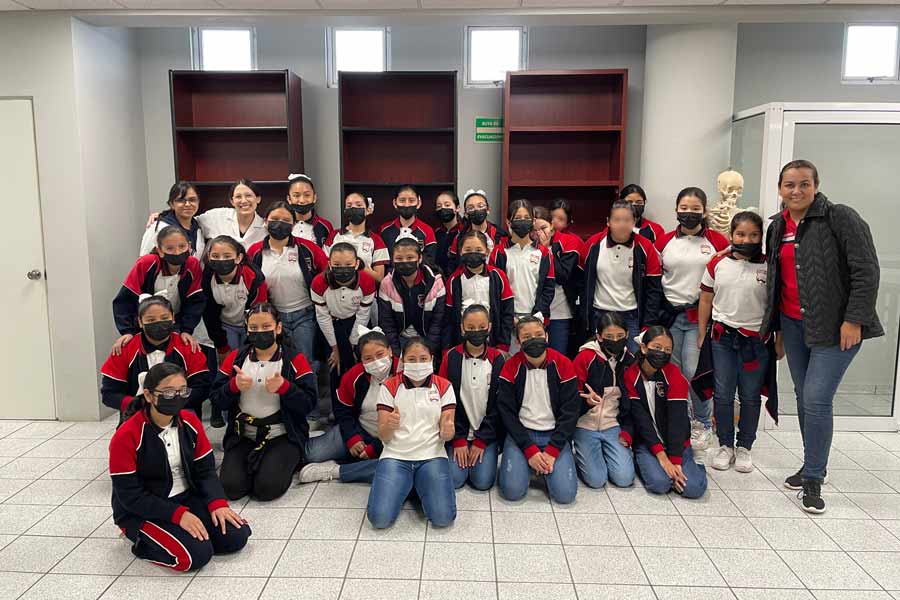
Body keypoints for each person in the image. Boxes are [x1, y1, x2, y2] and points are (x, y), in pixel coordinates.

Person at [759, 160, 882, 513]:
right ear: (780, 188)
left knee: (815, 397)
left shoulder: (840, 218)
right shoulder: (776, 226)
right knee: (802, 395)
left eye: (803, 184)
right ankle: (814, 463)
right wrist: (777, 330)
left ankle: (813, 478)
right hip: (793, 325)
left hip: (835, 327)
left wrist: (854, 319)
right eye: (789, 185)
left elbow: (866, 271)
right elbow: (776, 282)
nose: (796, 191)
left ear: (816, 185)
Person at [109, 363, 250, 572]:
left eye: (182, 391)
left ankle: (187, 533)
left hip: (185, 497)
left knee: (237, 536)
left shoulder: (190, 421)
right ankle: (140, 541)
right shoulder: (126, 435)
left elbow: (206, 471)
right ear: (148, 395)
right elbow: (129, 496)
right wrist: (178, 515)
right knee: (195, 556)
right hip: (140, 510)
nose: (177, 397)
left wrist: (217, 503)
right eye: (168, 392)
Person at [212, 304, 318, 501]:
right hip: (243, 434)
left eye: (266, 326)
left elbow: (309, 403)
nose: (260, 332)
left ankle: (282, 461)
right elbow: (216, 399)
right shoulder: (236, 358)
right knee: (231, 489)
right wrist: (233, 386)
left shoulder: (295, 359)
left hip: (282, 435)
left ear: (278, 328)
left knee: (267, 490)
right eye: (254, 328)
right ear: (246, 328)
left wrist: (286, 388)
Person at [655, 188, 730, 452]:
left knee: (693, 371)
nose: (689, 213)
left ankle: (703, 424)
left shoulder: (717, 241)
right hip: (671, 317)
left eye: (695, 208)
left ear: (704, 211)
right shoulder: (664, 241)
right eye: (684, 208)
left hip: (699, 318)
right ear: (676, 210)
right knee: (672, 372)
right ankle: (681, 420)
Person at [698, 212, 772, 474]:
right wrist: (700, 333)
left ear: (761, 237)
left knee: (751, 396)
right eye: (740, 234)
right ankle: (725, 444)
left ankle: (745, 447)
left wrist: (781, 341)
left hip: (755, 342)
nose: (746, 239)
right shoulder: (718, 263)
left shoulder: (768, 266)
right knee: (723, 393)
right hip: (722, 338)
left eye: (753, 235)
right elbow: (706, 299)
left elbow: (777, 306)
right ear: (732, 235)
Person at [367, 337, 457, 529]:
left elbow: (447, 432)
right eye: (412, 359)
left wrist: (448, 431)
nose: (418, 364)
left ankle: (411, 484)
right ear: (402, 361)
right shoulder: (389, 386)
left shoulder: (444, 386)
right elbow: (383, 435)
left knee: (443, 518)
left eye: (423, 358)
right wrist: (390, 425)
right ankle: (410, 483)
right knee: (379, 519)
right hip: (395, 455)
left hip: (432, 456)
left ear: (432, 359)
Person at [298, 326, 400, 485]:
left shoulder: (406, 375)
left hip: (395, 438)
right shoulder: (353, 375)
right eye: (368, 358)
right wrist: (352, 437)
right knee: (311, 455)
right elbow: (342, 410)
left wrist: (374, 448)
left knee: (396, 470)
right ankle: (340, 449)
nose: (376, 362)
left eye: (380, 355)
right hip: (360, 429)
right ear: (361, 360)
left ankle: (337, 470)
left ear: (391, 351)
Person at [497, 316, 579, 504]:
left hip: (554, 434)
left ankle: (542, 464)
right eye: (526, 337)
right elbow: (507, 414)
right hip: (521, 433)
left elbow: (570, 413)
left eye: (539, 334)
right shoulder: (510, 367)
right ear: (518, 342)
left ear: (547, 336)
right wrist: (529, 449)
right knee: (512, 492)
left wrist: (552, 451)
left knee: (565, 496)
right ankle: (530, 463)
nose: (533, 339)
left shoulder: (564, 364)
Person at [624, 326, 707, 498]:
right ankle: (642, 461)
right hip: (648, 443)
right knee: (660, 484)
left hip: (676, 443)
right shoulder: (631, 375)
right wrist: (662, 458)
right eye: (657, 347)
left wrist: (675, 461)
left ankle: (694, 464)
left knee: (692, 489)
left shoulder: (674, 375)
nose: (662, 353)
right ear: (644, 347)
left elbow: (678, 421)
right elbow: (641, 420)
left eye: (667, 350)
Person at [246, 202, 328, 373]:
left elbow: (327, 273)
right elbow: (249, 283)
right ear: (265, 222)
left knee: (305, 362)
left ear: (293, 224)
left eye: (285, 220)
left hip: (304, 315)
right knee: (277, 363)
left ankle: (308, 398)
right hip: (273, 318)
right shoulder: (255, 251)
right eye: (274, 219)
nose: (279, 223)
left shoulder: (307, 248)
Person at [102, 296, 211, 421]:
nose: (158, 323)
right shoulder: (125, 349)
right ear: (140, 322)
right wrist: (137, 405)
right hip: (137, 413)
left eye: (164, 318)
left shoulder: (188, 347)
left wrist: (171, 403)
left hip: (181, 411)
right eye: (151, 319)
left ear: (173, 318)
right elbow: (109, 393)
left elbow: (202, 388)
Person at [581, 200, 662, 352]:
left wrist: (648, 323)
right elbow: (582, 280)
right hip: (600, 313)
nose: (622, 225)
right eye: (617, 220)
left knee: (632, 361)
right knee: (599, 360)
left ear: (634, 222)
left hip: (630, 315)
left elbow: (654, 289)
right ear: (608, 222)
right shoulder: (594, 244)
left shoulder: (645, 247)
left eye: (627, 220)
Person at [439, 304, 505, 490]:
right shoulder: (450, 357)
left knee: (482, 482)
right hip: (457, 433)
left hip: (486, 434)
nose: (477, 332)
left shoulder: (498, 359)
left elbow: (499, 406)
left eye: (481, 327)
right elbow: (445, 402)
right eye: (471, 328)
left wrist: (481, 440)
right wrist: (458, 440)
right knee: (455, 480)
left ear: (489, 327)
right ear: (462, 328)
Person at [112, 226, 205, 355]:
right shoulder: (147, 263)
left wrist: (186, 330)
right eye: (170, 248)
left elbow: (195, 301)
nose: (177, 252)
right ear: (159, 250)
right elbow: (125, 298)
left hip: (175, 323)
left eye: (182, 246)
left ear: (189, 247)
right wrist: (127, 331)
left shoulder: (193, 265)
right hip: (145, 323)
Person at [572, 312, 636, 488]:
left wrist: (627, 432)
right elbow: (569, 397)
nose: (615, 340)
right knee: (596, 480)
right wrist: (585, 402)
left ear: (628, 334)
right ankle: (583, 452)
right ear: (599, 336)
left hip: (613, 426)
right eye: (609, 337)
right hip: (585, 424)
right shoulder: (585, 357)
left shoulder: (630, 361)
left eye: (620, 336)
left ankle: (611, 453)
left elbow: (633, 404)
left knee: (624, 479)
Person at [310, 242, 376, 409]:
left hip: (357, 324)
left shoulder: (367, 281)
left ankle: (359, 406)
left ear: (356, 263)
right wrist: (335, 348)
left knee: (357, 364)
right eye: (337, 265)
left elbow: (363, 315)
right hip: (331, 325)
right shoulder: (319, 282)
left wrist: (353, 345)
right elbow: (322, 317)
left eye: (348, 264)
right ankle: (337, 408)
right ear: (330, 264)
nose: (343, 269)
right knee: (335, 366)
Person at [490, 199, 556, 352]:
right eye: (517, 218)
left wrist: (537, 314)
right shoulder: (499, 252)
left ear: (533, 221)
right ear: (508, 221)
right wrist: (509, 317)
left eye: (526, 218)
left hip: (535, 318)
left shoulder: (544, 253)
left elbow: (548, 287)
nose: (522, 222)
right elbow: (495, 289)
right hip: (507, 321)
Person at [443, 230, 514, 353]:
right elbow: (448, 319)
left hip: (493, 340)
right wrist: (447, 348)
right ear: (460, 252)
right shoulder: (454, 280)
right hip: (463, 341)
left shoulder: (499, 276)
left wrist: (503, 344)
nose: (473, 254)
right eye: (468, 250)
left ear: (487, 251)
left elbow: (507, 313)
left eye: (478, 250)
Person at [147, 179, 268, 250]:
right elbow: (188, 218)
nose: (243, 201)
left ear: (258, 199)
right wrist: (164, 216)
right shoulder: (216, 216)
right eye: (238, 197)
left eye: (248, 196)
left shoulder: (265, 227)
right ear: (232, 201)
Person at [378, 236, 446, 356]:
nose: (404, 261)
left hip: (427, 340)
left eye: (410, 257)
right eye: (399, 258)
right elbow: (387, 323)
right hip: (400, 340)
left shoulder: (436, 282)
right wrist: (396, 352)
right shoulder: (386, 283)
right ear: (392, 261)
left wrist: (430, 349)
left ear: (419, 258)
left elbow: (438, 321)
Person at [201, 235, 268, 358]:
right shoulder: (207, 276)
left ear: (238, 258)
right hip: (225, 325)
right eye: (215, 256)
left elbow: (259, 312)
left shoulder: (253, 277)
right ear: (209, 257)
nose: (221, 260)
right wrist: (222, 346)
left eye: (227, 256)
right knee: (229, 362)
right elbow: (209, 313)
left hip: (250, 326)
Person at [533, 206, 582, 354]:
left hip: (559, 312)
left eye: (543, 228)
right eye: (534, 230)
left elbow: (562, 276)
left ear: (551, 225)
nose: (539, 233)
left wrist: (546, 248)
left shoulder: (567, 241)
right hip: (533, 312)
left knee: (557, 356)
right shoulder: (525, 246)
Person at [324, 192, 389, 284]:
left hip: (365, 291)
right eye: (349, 206)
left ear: (367, 210)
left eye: (358, 205)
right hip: (336, 291)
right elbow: (324, 268)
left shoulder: (376, 240)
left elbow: (379, 278)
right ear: (345, 211)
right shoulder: (334, 235)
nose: (354, 208)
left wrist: (359, 265)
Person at [447, 189, 510, 272]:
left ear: (488, 209)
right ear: (466, 213)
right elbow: (453, 265)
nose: (476, 210)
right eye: (470, 208)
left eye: (480, 206)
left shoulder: (501, 235)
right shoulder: (460, 238)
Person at [140, 181, 206, 258]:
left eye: (192, 200)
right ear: (171, 204)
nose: (187, 204)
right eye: (181, 200)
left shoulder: (198, 227)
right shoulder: (159, 228)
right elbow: (144, 259)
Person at [379, 184, 437, 262]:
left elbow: (430, 261)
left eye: (411, 200)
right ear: (394, 203)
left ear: (419, 203)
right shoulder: (384, 230)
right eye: (402, 200)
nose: (406, 205)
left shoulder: (427, 231)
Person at [284, 173, 334, 246]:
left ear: (314, 197)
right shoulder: (283, 224)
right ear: (289, 199)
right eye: (296, 195)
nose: (302, 200)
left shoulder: (325, 226)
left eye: (307, 195)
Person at [434, 190, 464, 275]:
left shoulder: (463, 232)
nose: (443, 208)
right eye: (439, 206)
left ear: (457, 208)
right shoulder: (435, 233)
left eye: (447, 205)